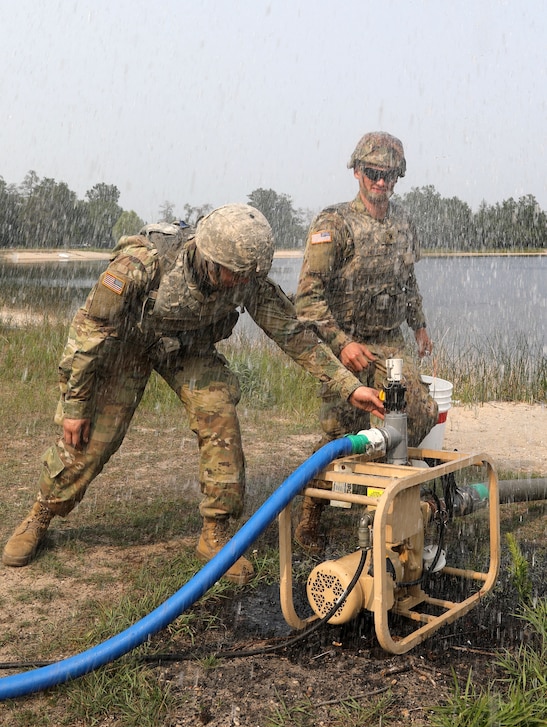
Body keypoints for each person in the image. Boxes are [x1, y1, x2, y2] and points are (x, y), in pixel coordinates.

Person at [2, 204, 384, 583]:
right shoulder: (141, 265)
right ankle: (41, 513)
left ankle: (215, 535)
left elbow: (294, 334)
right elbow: (89, 334)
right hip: (127, 344)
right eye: (233, 275)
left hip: (186, 348)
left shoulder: (245, 274)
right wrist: (76, 404)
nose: (240, 283)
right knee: (91, 439)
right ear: (210, 258)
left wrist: (348, 386)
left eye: (247, 276)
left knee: (220, 417)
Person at [293, 132, 437, 552]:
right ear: (357, 172)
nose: (381, 182)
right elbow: (308, 298)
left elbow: (409, 282)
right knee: (339, 436)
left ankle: (377, 506)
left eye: (389, 175)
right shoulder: (334, 224)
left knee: (415, 412)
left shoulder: (403, 223)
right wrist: (340, 344)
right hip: (345, 348)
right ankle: (310, 516)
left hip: (388, 344)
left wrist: (420, 326)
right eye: (373, 173)